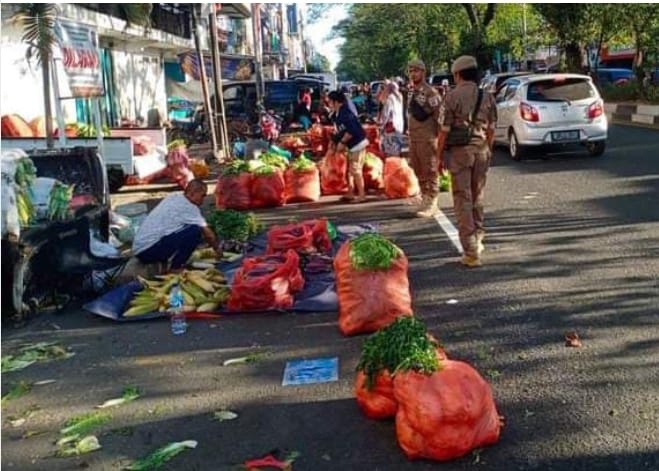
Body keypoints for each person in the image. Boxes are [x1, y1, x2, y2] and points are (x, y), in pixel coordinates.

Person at [436, 55, 497, 268]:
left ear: (457, 74)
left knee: (463, 199)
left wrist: (438, 156)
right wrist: (488, 149)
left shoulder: (451, 97)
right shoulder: (487, 96)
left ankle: (470, 252)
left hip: (460, 153)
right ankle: (478, 237)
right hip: (481, 150)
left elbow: (443, 132)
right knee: (478, 195)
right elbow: (491, 129)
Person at [132, 179, 222, 272]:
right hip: (147, 251)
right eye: (202, 195)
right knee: (195, 231)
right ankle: (176, 266)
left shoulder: (174, 196)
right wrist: (217, 249)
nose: (203, 199)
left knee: (184, 228)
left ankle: (166, 260)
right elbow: (208, 235)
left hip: (140, 248)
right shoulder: (189, 208)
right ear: (192, 193)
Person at [406, 59, 442, 217]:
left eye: (417, 71)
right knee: (417, 168)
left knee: (430, 169)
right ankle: (425, 196)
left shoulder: (430, 92)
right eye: (411, 71)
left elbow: (439, 116)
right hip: (414, 137)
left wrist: (440, 139)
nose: (414, 74)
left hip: (428, 138)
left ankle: (432, 200)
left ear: (423, 72)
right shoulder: (411, 92)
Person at [327, 90, 369, 203]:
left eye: (330, 102)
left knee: (355, 170)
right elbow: (340, 131)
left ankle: (362, 195)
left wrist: (342, 143)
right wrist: (334, 141)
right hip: (352, 145)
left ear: (336, 102)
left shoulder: (346, 113)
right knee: (349, 171)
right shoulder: (337, 114)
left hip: (357, 144)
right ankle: (350, 193)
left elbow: (351, 130)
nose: (328, 104)